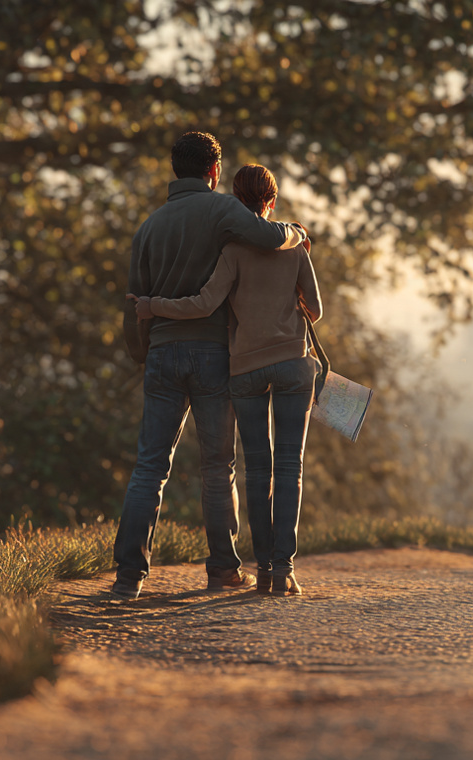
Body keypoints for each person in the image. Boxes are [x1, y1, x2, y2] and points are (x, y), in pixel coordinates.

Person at [111, 133, 309, 601]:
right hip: (213, 354)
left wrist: (142, 353)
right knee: (218, 466)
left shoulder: (149, 228)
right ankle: (222, 567)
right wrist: (298, 233)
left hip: (161, 352)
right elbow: (267, 235)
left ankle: (128, 578)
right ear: (214, 172)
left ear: (175, 170)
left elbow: (133, 302)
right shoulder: (222, 210)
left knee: (150, 467)